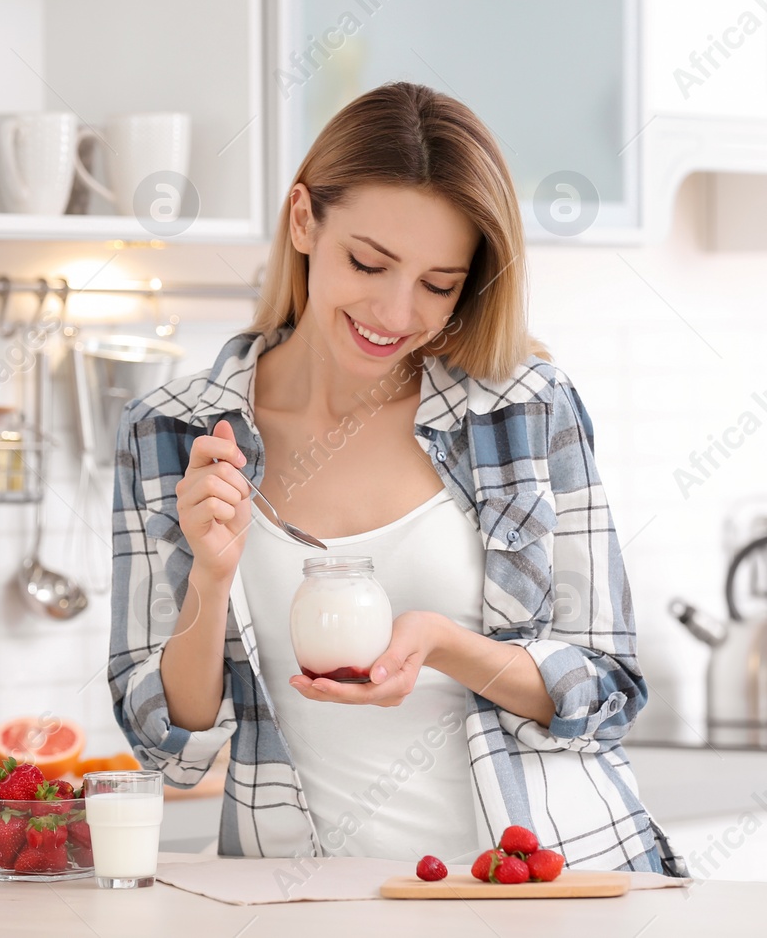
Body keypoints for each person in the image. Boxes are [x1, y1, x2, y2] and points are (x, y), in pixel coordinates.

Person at [108, 81, 686, 875]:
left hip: (537, 894)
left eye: (438, 284)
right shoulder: (170, 433)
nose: (395, 310)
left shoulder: (523, 409)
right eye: (369, 262)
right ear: (304, 218)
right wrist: (211, 580)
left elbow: (608, 692)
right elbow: (166, 751)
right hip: (297, 903)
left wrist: (447, 645)